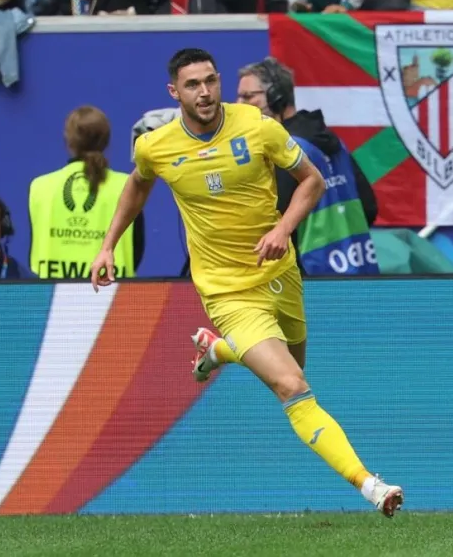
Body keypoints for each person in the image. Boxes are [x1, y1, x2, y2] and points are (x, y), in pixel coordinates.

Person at [90, 47, 404, 518]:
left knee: (295, 368)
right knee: (291, 385)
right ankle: (370, 484)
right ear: (174, 92)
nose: (205, 92)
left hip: (280, 274)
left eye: (211, 80)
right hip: (225, 289)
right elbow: (138, 183)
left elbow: (312, 182)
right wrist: (108, 243)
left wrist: (282, 229)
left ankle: (219, 350)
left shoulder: (258, 126)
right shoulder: (155, 146)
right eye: (193, 84)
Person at [237, 57, 379, 276]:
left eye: (248, 96)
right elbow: (369, 207)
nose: (239, 105)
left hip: (310, 277)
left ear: (276, 97)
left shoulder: (285, 148)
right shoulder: (333, 140)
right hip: (357, 268)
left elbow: (275, 219)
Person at [28, 106, 143, 280]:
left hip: (51, 296)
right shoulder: (127, 185)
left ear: (68, 140)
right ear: (106, 140)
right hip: (112, 293)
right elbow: (137, 248)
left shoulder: (40, 186)